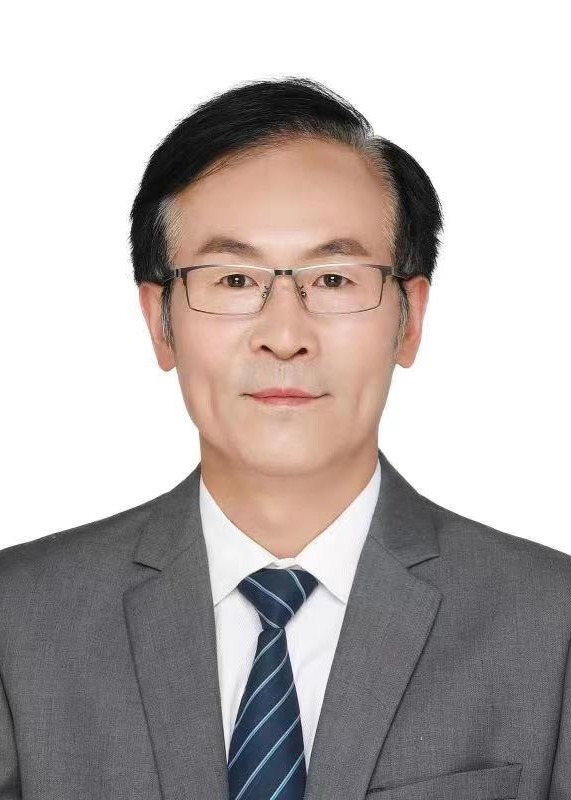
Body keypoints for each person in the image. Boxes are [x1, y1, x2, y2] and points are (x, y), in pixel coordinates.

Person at [0, 77, 569, 800]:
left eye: (333, 279)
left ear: (410, 319)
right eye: (234, 280)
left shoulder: (550, 626)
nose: (284, 334)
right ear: (160, 323)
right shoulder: (18, 624)